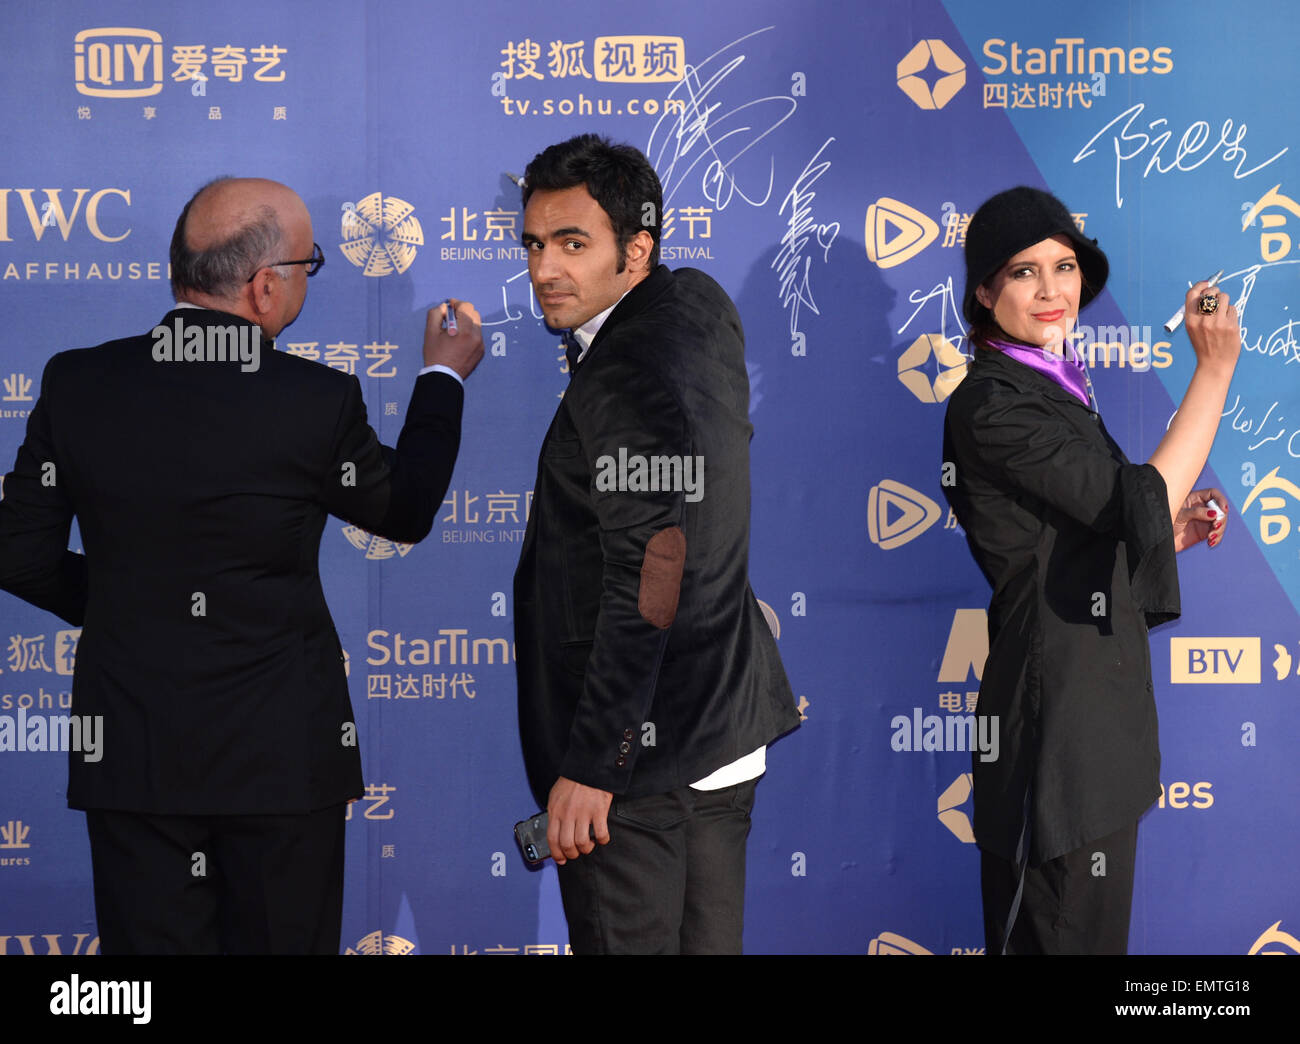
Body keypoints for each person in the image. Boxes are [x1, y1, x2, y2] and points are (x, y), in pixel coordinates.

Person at [0, 176, 483, 954]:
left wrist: (129, 601)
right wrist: (443, 378)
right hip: (283, 766)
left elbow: (19, 558)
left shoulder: (77, 382)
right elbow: (405, 509)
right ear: (265, 288)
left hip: (133, 758)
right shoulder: (315, 400)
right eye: (308, 266)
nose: (303, 281)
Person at [512, 134, 800, 954]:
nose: (544, 269)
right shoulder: (697, 305)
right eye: (534, 244)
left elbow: (653, 570)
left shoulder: (625, 368)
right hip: (720, 735)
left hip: (643, 764)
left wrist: (597, 762)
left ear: (635, 250)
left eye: (573, 244)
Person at [942, 186, 1240, 954]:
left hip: (1098, 726)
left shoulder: (1054, 386)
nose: (1051, 291)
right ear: (984, 291)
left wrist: (1162, 533)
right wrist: (1212, 372)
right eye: (1023, 272)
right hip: (1053, 737)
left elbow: (1081, 533)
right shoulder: (991, 401)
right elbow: (1126, 498)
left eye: (1064, 267)